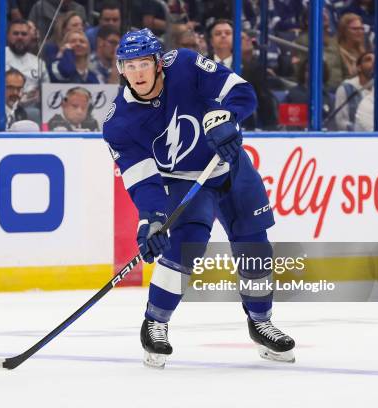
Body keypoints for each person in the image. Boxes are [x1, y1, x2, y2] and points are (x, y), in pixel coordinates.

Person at [103, 29, 295, 368]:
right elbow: (142, 179)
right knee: (185, 245)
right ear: (120, 69)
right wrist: (151, 218)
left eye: (144, 64)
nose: (137, 74)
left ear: (158, 63)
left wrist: (228, 120)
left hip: (230, 164)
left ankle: (260, 321)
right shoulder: (119, 122)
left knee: (255, 244)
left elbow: (243, 92)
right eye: (128, 66)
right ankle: (155, 323)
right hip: (183, 180)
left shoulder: (188, 66)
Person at [0, 19, 48, 120]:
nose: (20, 37)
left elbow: (46, 94)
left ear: (30, 37)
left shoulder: (39, 63)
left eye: (24, 34)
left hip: (30, 111)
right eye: (15, 33)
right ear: (7, 35)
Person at [333, 51, 374, 131]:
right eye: (368, 60)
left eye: (375, 61)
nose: (373, 62)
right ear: (359, 67)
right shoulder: (346, 88)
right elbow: (340, 121)